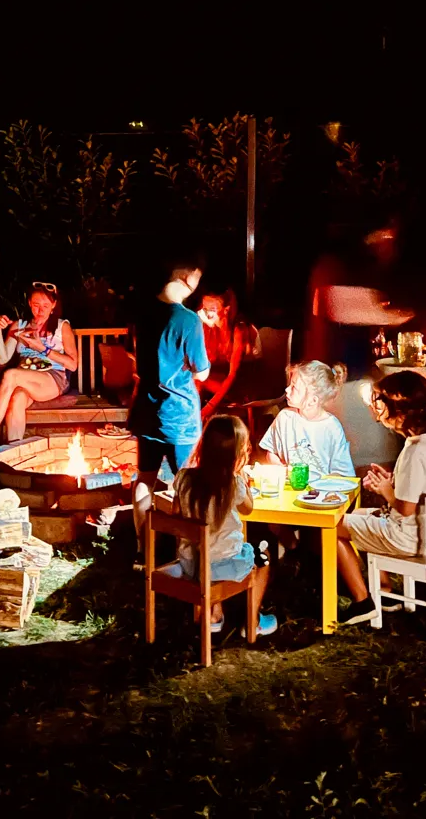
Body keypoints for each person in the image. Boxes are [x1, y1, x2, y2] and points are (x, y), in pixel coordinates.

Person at [335, 371, 426, 626]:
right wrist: (393, 481)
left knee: (332, 528)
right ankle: (384, 591)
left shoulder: (414, 451)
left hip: (409, 536)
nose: (376, 408)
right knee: (357, 516)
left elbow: (406, 509)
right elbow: (423, 484)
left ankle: (362, 602)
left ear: (398, 410)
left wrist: (387, 490)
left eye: (380, 402)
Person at [128, 253, 210, 567]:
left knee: (145, 479)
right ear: (187, 276)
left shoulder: (143, 312)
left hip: (146, 411)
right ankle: (184, 554)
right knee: (186, 485)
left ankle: (142, 549)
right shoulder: (188, 320)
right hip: (179, 415)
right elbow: (202, 371)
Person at [172, 414, 276, 637]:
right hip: (223, 566)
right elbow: (248, 509)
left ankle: (213, 614)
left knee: (212, 548)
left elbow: (175, 514)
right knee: (263, 557)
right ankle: (253, 622)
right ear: (237, 454)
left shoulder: (184, 477)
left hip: (190, 563)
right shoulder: (233, 482)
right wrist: (242, 478)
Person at [0, 282, 78, 452]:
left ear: (54, 305)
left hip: (52, 379)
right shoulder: (19, 326)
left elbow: (73, 364)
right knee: (17, 398)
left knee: (11, 375)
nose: (40, 311)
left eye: (45, 306)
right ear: (29, 303)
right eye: (36, 305)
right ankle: (13, 453)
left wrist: (42, 348)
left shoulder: (62, 327)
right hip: (24, 379)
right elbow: (3, 358)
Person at [304, 221, 414, 377]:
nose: (389, 245)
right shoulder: (335, 264)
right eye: (385, 236)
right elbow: (333, 305)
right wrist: (387, 316)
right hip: (330, 365)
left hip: (350, 363)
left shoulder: (368, 268)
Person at [257, 360, 354, 480]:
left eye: (294, 387)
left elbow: (343, 474)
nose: (287, 389)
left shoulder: (332, 427)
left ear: (313, 401)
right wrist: (282, 470)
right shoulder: (285, 417)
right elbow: (271, 453)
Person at [196, 287, 259, 421]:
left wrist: (209, 407)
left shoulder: (239, 329)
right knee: (192, 378)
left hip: (240, 385)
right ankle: (192, 421)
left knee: (199, 381)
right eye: (204, 308)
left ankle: (197, 420)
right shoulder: (209, 328)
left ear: (226, 309)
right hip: (219, 381)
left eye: (212, 309)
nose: (206, 313)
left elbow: (233, 375)